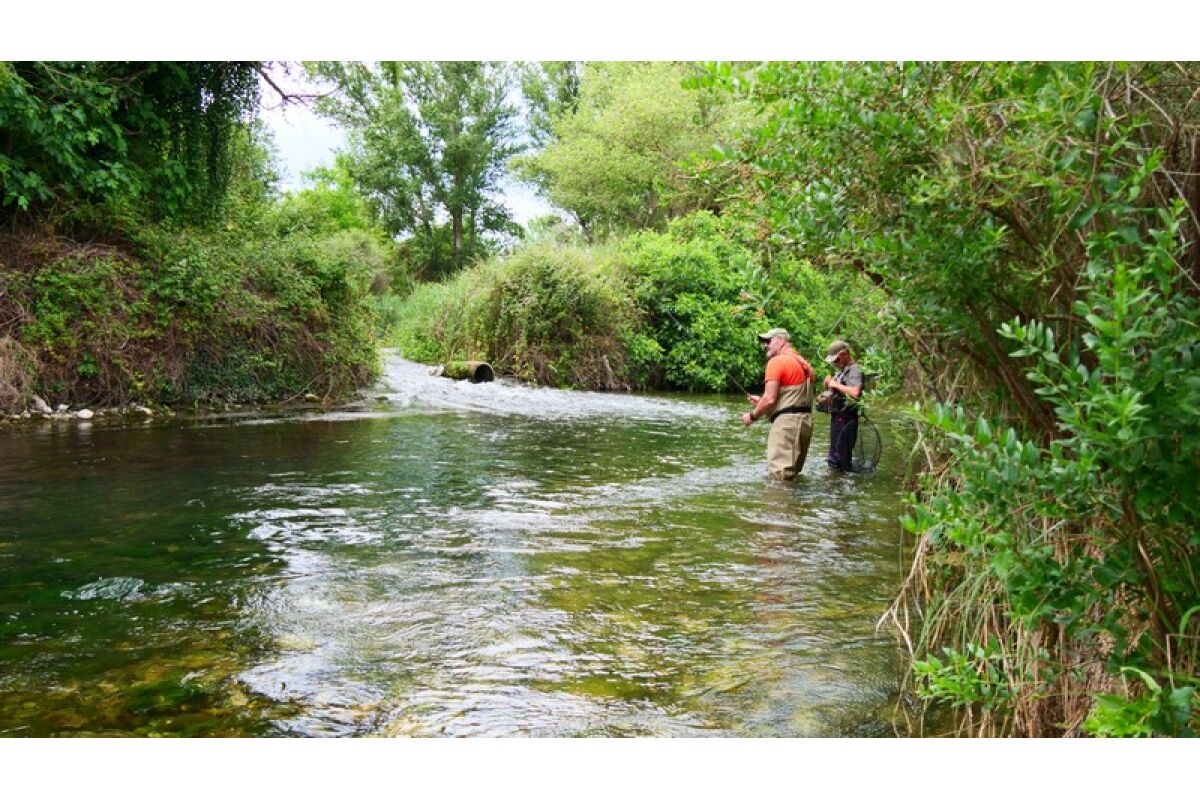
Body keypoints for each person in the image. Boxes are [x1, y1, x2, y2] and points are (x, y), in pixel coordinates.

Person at [742, 328, 816, 480]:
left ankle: (778, 497)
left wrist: (752, 416)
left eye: (768, 341)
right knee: (791, 476)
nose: (765, 345)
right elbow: (795, 399)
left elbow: (770, 398)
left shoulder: (777, 362)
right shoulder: (804, 364)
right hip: (805, 423)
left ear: (781, 341)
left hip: (787, 425)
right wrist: (761, 402)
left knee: (779, 478)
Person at [822, 339, 864, 471]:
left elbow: (855, 392)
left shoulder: (855, 369)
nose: (835, 363)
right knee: (834, 458)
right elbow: (837, 391)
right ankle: (837, 481)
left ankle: (841, 481)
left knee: (841, 458)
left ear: (845, 354)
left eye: (836, 360)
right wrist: (827, 385)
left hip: (846, 419)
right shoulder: (842, 370)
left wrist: (835, 384)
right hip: (838, 417)